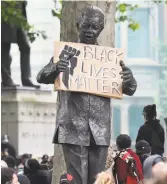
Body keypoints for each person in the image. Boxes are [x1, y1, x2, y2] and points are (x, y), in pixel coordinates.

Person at [36, 5, 137, 184]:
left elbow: (129, 89)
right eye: (86, 26)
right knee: (77, 179)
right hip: (72, 127)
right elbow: (41, 77)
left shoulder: (110, 59)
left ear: (101, 29)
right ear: (78, 25)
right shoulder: (65, 53)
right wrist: (55, 68)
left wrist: (129, 80)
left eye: (95, 27)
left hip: (100, 129)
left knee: (97, 180)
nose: (90, 31)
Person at [1, 1, 39, 88]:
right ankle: (7, 79)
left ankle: (26, 79)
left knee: (26, 47)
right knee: (5, 46)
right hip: (6, 12)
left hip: (19, 14)